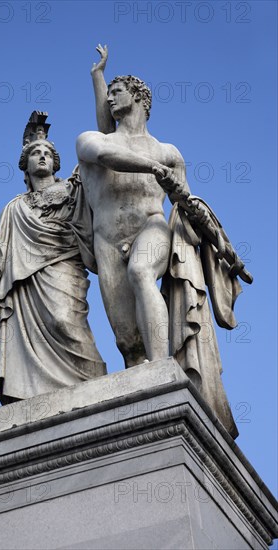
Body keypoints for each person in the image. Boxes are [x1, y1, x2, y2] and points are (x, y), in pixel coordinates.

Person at [76, 45, 240, 437]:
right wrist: (97, 76)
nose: (112, 96)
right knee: (127, 341)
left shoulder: (169, 152)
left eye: (118, 89)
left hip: (152, 228)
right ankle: (143, 412)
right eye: (108, 91)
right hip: (106, 240)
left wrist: (219, 242)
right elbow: (107, 156)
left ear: (139, 98)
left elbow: (186, 203)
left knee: (141, 273)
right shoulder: (89, 141)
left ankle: (162, 369)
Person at [0, 136, 106, 404]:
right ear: (24, 166)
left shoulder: (75, 191)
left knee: (65, 321)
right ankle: (31, 394)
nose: (42, 156)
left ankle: (94, 387)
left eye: (47, 153)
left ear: (55, 163)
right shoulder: (14, 209)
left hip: (64, 267)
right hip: (24, 290)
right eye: (35, 153)